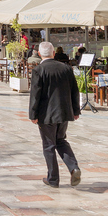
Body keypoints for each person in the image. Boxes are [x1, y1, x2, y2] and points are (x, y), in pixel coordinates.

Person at [28, 41, 81, 189]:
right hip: (64, 112)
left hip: (46, 114)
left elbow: (35, 94)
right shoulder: (66, 68)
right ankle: (73, 167)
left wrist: (33, 114)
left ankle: (53, 178)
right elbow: (74, 91)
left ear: (39, 54)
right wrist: (75, 111)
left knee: (49, 146)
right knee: (61, 140)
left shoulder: (39, 70)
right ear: (53, 53)